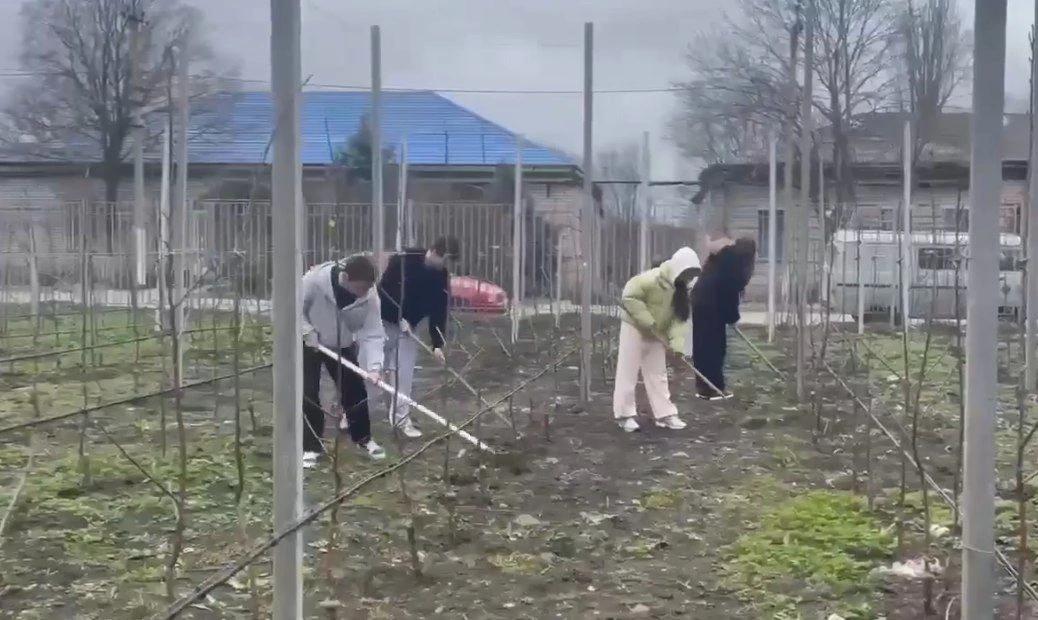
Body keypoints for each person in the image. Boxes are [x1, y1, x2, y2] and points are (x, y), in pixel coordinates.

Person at [301, 253, 386, 468]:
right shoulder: (313, 281)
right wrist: (306, 331)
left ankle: (363, 439)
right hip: (311, 342)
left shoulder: (369, 295)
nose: (363, 294)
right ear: (346, 278)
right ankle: (311, 446)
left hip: (342, 344)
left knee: (355, 389)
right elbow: (292, 310)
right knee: (308, 392)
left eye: (367, 289)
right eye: (360, 288)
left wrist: (375, 368)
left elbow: (374, 332)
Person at [613, 246, 702, 432]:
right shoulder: (652, 279)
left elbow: (679, 321)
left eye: (692, 275)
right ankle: (624, 415)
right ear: (678, 268)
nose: (689, 279)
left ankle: (665, 415)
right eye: (687, 273)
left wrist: (677, 347)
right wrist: (649, 322)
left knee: (658, 374)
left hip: (656, 333)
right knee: (628, 372)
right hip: (635, 327)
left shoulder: (681, 291)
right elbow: (629, 296)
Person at [378, 236, 460, 438]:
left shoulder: (440, 276)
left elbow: (439, 311)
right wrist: (399, 316)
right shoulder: (404, 260)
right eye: (445, 260)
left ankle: (401, 420)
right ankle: (351, 414)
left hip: (409, 329)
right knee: (372, 370)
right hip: (383, 323)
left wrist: (437, 344)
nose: (445, 266)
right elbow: (384, 291)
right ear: (435, 252)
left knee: (404, 374)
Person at [691, 237, 757, 400]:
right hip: (711, 305)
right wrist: (732, 317)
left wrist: (729, 316)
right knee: (714, 347)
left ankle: (703, 387)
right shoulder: (735, 264)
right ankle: (714, 388)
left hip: (700, 301)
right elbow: (730, 294)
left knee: (702, 346)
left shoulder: (724, 257)